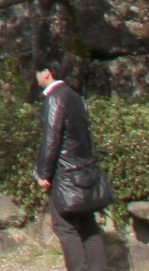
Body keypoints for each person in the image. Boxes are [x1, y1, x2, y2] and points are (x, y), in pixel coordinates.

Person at [36, 54, 111, 271]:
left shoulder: (55, 98)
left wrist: (43, 173)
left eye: (37, 73)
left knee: (65, 228)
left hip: (65, 176)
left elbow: (52, 140)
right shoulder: (75, 97)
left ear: (46, 72)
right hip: (86, 171)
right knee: (88, 226)